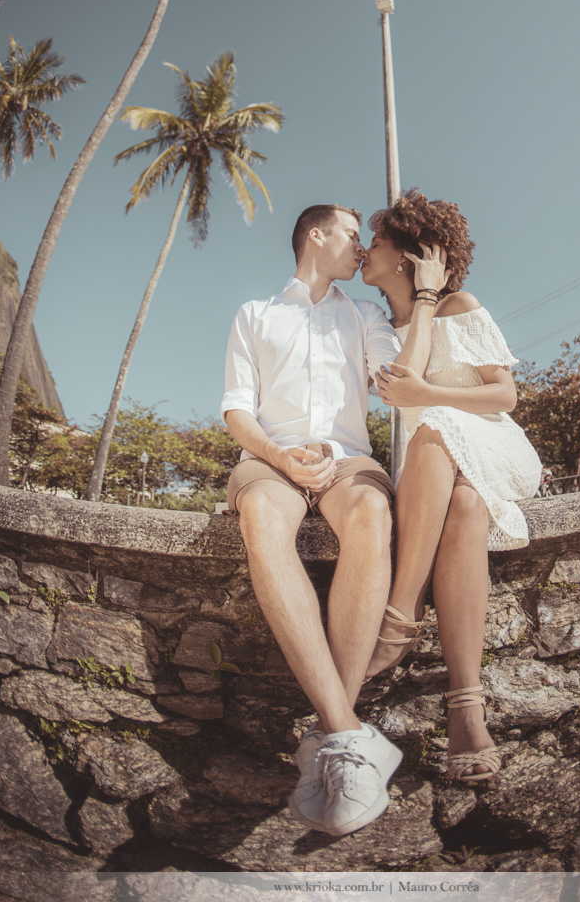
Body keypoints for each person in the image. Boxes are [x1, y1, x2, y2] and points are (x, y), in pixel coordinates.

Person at [221, 204, 402, 837]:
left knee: (374, 510)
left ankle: (331, 732)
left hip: (348, 457)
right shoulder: (255, 314)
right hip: (269, 459)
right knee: (261, 517)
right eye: (354, 235)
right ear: (317, 236)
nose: (363, 247)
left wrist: (425, 300)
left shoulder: (367, 313)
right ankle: (349, 739)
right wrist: (275, 456)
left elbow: (392, 378)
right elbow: (237, 410)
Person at [360, 190, 542, 783]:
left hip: (492, 442)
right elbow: (399, 384)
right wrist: (422, 305)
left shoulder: (461, 304)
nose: (366, 250)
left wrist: (432, 394)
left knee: (435, 430)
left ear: (408, 255)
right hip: (440, 474)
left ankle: (401, 612)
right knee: (465, 506)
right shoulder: (377, 330)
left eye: (378, 243)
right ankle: (467, 709)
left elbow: (504, 396)